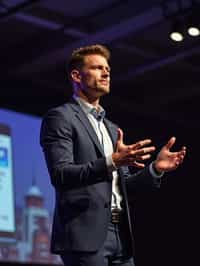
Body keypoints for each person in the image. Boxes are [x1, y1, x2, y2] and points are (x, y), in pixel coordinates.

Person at [40, 44, 186, 266]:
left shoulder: (111, 127)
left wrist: (155, 169)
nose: (106, 72)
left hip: (121, 234)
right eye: (98, 68)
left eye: (107, 68)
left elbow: (124, 185)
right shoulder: (61, 118)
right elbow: (61, 174)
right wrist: (111, 161)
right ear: (76, 75)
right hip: (84, 235)